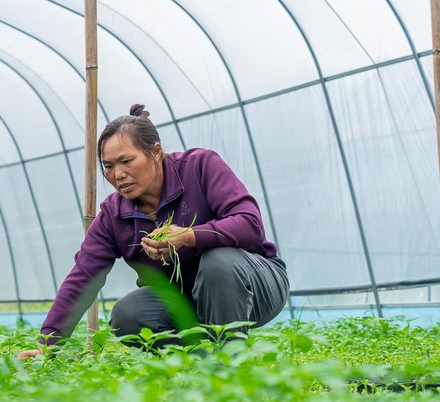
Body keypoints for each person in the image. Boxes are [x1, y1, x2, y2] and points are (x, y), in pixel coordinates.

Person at [17, 104, 289, 359]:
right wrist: (47, 347)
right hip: (189, 302)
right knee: (127, 313)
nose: (118, 174)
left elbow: (249, 223)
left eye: (126, 161)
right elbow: (83, 277)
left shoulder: (200, 167)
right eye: (109, 166)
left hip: (255, 288)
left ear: (156, 151)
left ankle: (233, 363)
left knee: (218, 260)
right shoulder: (114, 214)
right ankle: (201, 369)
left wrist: (189, 236)